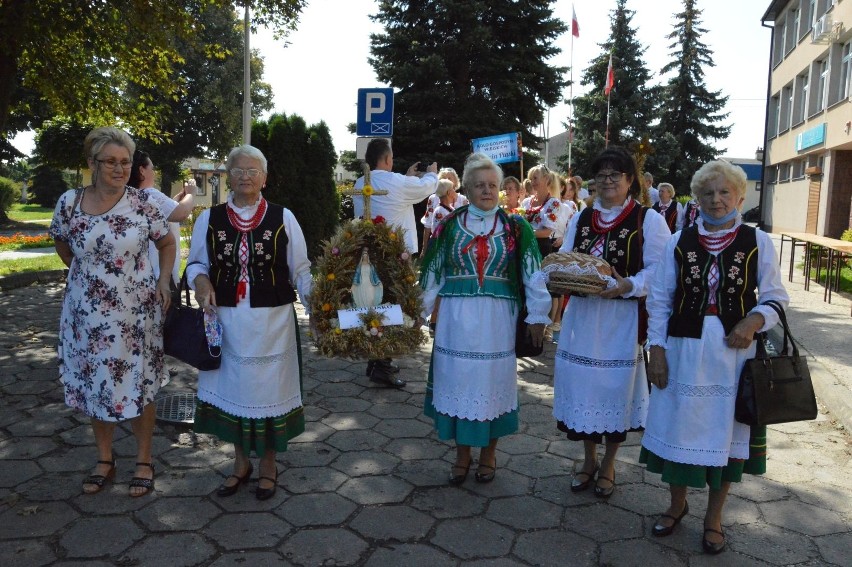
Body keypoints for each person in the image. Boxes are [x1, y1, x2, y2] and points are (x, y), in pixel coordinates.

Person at [640, 160, 789, 554]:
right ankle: (676, 506)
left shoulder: (759, 242)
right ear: (697, 198)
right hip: (683, 349)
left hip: (733, 356)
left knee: (725, 437)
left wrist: (754, 320)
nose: (716, 199)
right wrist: (655, 350)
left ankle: (714, 517)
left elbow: (776, 297)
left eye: (725, 192)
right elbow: (659, 300)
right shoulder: (679, 240)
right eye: (708, 193)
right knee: (678, 429)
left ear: (740, 197)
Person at [49, 126, 176, 497]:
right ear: (91, 162)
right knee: (95, 383)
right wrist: (88, 279)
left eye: (126, 162)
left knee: (139, 384)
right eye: (111, 162)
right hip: (86, 316)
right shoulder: (69, 202)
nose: (121, 169)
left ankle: (144, 460)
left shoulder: (143, 203)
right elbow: (63, 243)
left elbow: (167, 243)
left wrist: (163, 281)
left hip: (136, 314)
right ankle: (104, 458)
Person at [187, 145, 313, 501]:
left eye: (252, 170)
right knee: (235, 390)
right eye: (238, 170)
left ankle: (269, 466)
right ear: (229, 175)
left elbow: (300, 269)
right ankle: (240, 464)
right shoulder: (208, 219)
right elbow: (196, 264)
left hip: (272, 322)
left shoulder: (282, 216)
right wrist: (200, 281)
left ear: (264, 178)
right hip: (226, 319)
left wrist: (319, 302)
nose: (245, 176)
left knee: (268, 390)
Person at [419, 153, 550, 485]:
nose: (488, 190)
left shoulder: (514, 227)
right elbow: (432, 275)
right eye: (480, 185)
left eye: (492, 185)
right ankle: (462, 456)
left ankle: (489, 454)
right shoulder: (448, 226)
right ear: (467, 187)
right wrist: (415, 313)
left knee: (491, 384)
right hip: (455, 321)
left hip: (496, 322)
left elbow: (533, 275)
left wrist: (538, 315)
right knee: (459, 382)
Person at [550, 146, 670, 499]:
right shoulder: (582, 218)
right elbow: (567, 259)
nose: (606, 181)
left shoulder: (647, 220)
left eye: (614, 175)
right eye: (600, 175)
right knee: (584, 388)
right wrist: (559, 277)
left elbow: (659, 273)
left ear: (630, 180)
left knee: (614, 392)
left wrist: (628, 285)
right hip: (583, 318)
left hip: (621, 320)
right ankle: (588, 459)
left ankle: (610, 463)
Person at [353, 138, 438, 388]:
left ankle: (376, 358)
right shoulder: (397, 183)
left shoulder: (362, 182)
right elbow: (426, 189)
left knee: (374, 304)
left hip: (369, 254)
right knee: (392, 307)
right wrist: (431, 174)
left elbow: (393, 191)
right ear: (388, 159)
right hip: (395, 256)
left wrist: (407, 177)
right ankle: (383, 365)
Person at [128, 150, 195, 285]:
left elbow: (162, 213)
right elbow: (181, 212)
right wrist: (191, 194)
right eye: (152, 168)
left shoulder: (130, 195)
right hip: (156, 272)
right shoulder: (148, 194)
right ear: (142, 170)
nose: (155, 173)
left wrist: (175, 200)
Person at [523, 165, 562, 340]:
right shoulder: (526, 202)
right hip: (525, 246)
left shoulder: (553, 203)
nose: (533, 182)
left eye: (536, 178)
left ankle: (543, 325)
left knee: (541, 285)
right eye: (531, 178)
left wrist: (524, 231)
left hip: (540, 247)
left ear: (546, 180)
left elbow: (547, 231)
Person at [421, 167, 466, 252]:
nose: (446, 180)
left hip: (458, 245)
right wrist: (424, 248)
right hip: (438, 243)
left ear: (455, 182)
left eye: (449, 178)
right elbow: (428, 223)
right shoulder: (433, 199)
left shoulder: (463, 200)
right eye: (443, 178)